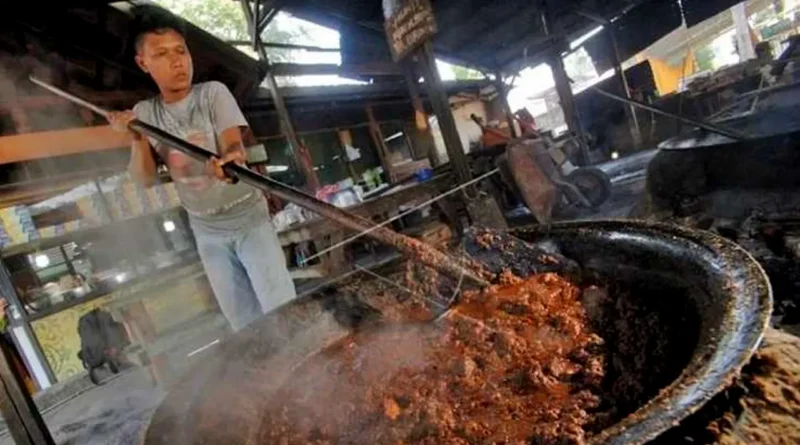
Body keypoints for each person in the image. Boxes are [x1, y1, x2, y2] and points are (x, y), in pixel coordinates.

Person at [107, 8, 296, 331]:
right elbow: (145, 179)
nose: (177, 62)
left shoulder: (213, 94)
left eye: (181, 51)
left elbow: (234, 148)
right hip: (207, 233)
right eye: (162, 54)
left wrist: (231, 164)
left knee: (282, 309)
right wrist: (136, 137)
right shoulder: (145, 114)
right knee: (243, 324)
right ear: (143, 62)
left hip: (249, 219)